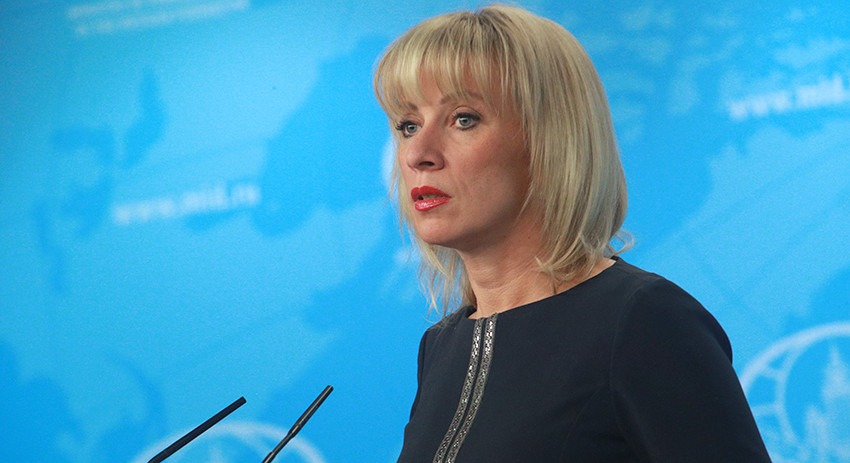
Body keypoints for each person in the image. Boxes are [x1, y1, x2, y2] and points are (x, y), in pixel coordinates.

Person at [374, 5, 772, 463]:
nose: (418, 154)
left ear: (550, 139)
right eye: (408, 126)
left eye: (464, 119)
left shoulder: (644, 320)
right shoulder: (441, 345)